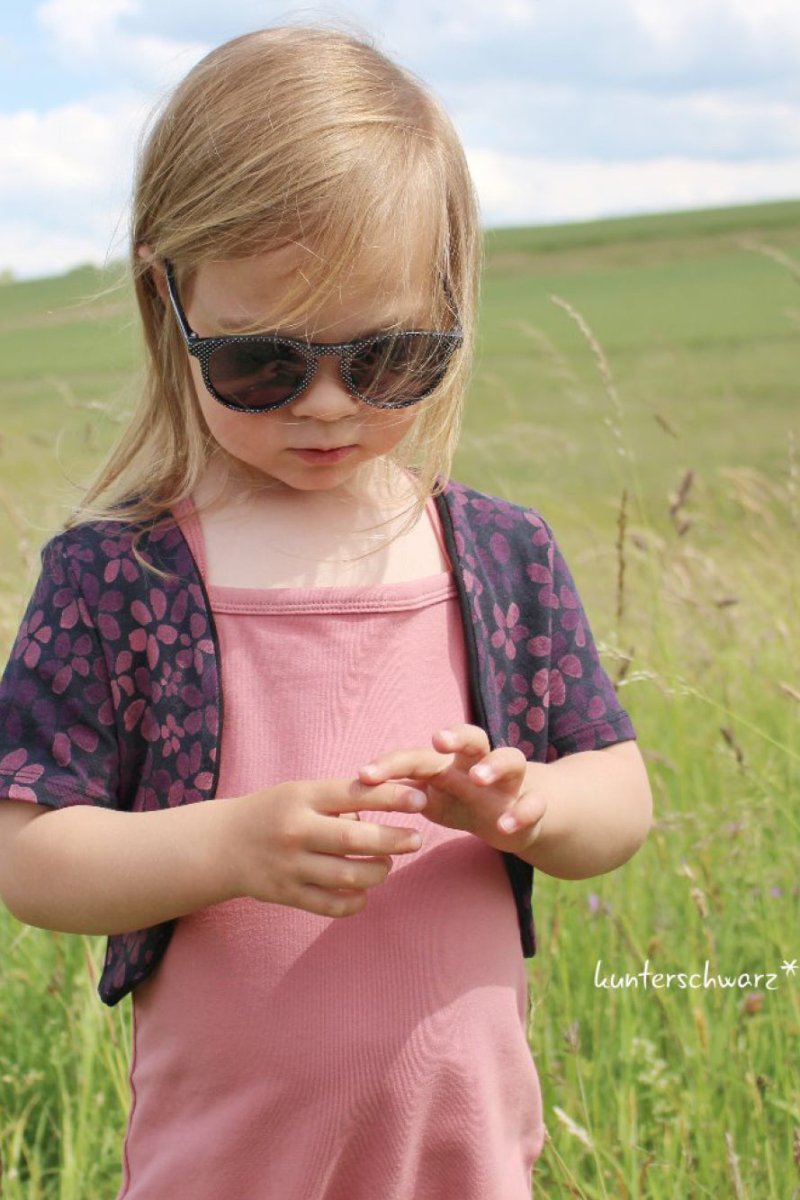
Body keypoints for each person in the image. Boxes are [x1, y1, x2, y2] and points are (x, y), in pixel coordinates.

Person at [0, 25, 652, 1200]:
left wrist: (528, 805)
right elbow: (32, 857)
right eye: (261, 363)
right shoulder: (120, 578)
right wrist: (230, 845)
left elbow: (616, 794)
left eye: (390, 356)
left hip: (465, 1166)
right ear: (168, 299)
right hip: (228, 1171)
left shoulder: (496, 555)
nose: (326, 405)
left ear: (451, 306)